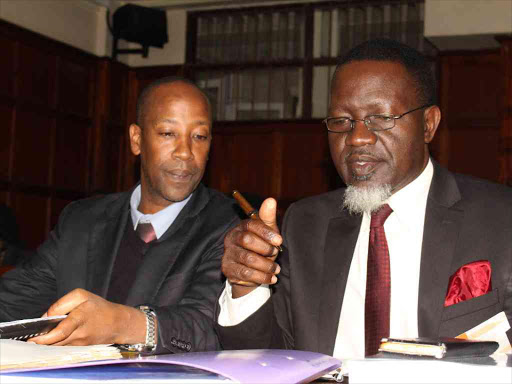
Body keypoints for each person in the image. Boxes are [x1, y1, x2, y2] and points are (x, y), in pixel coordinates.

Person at [216, 39, 512, 359]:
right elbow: (269, 361)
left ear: (428, 124)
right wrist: (244, 284)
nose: (357, 137)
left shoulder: (500, 218)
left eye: (381, 118)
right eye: (342, 121)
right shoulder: (306, 224)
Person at [0, 77, 240, 354]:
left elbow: (210, 328)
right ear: (137, 140)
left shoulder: (227, 226)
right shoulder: (81, 220)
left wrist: (123, 324)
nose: (186, 152)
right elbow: (14, 300)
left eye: (199, 136)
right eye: (167, 133)